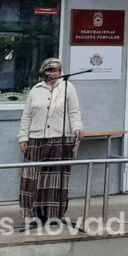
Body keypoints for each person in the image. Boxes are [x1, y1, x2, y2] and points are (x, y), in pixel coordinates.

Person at [17, 57, 84, 222]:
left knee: (55, 179)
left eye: (56, 70)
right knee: (32, 178)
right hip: (36, 139)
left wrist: (77, 129)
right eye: (49, 70)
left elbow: (74, 113)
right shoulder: (35, 90)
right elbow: (26, 116)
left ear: (60, 72)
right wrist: (23, 137)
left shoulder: (68, 88)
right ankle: (33, 215)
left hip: (60, 138)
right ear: (43, 72)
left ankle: (53, 214)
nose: (53, 73)